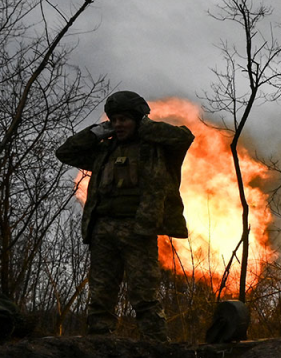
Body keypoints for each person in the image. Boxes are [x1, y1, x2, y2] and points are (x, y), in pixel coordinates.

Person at [56, 90, 194, 342]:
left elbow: (184, 137)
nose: (118, 124)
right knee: (100, 296)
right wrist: (96, 132)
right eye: (114, 119)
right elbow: (65, 153)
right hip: (103, 230)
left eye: (124, 119)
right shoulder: (104, 151)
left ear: (137, 119)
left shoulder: (155, 149)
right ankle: (101, 346)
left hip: (138, 230)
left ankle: (157, 349)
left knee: (144, 295)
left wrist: (145, 127)